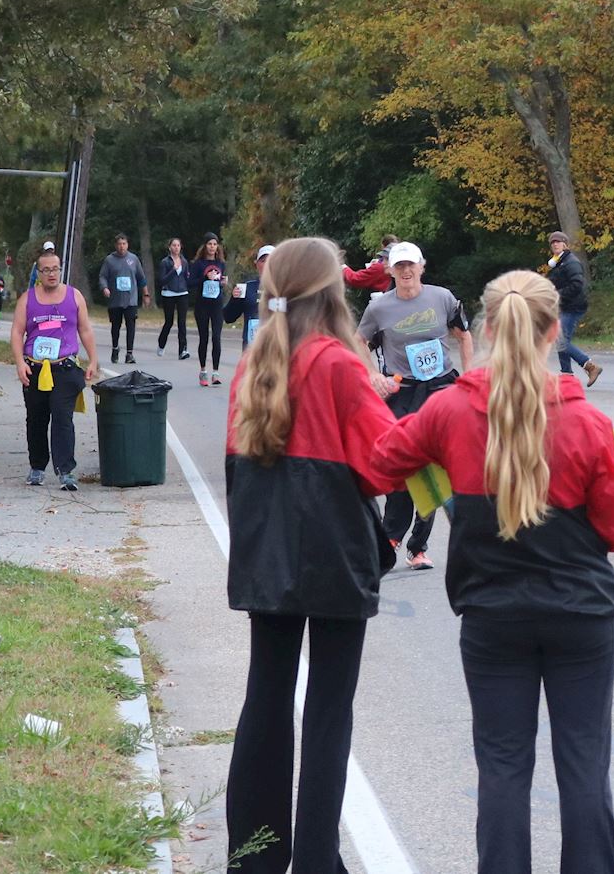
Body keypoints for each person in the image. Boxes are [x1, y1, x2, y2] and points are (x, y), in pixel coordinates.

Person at [371, 270, 614, 874]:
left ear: (487, 329)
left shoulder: (448, 410)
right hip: (582, 615)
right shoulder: (589, 423)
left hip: (492, 614)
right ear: (552, 334)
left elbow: (380, 463)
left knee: (502, 768)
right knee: (583, 766)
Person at [223, 237, 398, 874]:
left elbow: (235, 465)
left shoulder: (252, 361)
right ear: (331, 293)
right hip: (333, 548)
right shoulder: (338, 363)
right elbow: (383, 467)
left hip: (266, 545)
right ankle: (319, 859)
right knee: (328, 709)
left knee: (266, 696)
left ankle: (255, 856)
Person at [357, 241, 473, 569]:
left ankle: (417, 546)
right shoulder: (380, 308)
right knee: (402, 463)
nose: (406, 271)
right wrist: (370, 375)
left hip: (440, 387)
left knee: (436, 463)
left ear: (422, 266)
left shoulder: (442, 298)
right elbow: (359, 340)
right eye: (399, 267)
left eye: (411, 265)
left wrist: (470, 376)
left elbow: (464, 335)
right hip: (402, 391)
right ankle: (391, 534)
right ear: (390, 271)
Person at [10, 249, 100, 491]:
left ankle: (66, 470)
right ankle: (37, 467)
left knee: (63, 418)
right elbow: (17, 333)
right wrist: (20, 363)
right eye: (46, 270)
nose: (51, 274)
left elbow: (85, 329)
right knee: (37, 419)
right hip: (35, 368)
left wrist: (93, 360)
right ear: (38, 273)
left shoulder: (75, 296)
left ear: (61, 270)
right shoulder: (27, 299)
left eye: (55, 269)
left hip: (65, 367)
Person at [546, 230, 602, 386]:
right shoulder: (558, 263)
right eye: (553, 242)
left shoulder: (571, 262)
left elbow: (577, 285)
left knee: (561, 340)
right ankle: (567, 375)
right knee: (561, 340)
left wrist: (557, 294)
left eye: (558, 241)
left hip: (573, 307)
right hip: (564, 306)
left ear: (565, 244)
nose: (555, 244)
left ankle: (590, 366)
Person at [97, 233, 149, 364]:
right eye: (119, 244)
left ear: (127, 245)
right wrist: (105, 288)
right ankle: (115, 348)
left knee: (131, 325)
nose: (122, 246)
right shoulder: (109, 260)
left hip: (130, 299)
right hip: (115, 300)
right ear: (116, 245)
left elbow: (141, 278)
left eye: (124, 244)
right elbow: (102, 276)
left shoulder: (133, 259)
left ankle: (129, 353)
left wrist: (146, 295)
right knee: (116, 326)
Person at [189, 233, 227, 386]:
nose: (212, 247)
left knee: (216, 337)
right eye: (210, 244)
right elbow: (190, 283)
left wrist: (223, 282)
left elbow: (220, 281)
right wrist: (205, 278)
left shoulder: (221, 264)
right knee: (204, 338)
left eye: (215, 244)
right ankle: (203, 371)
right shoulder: (198, 264)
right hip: (202, 305)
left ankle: (216, 373)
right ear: (205, 246)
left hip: (217, 304)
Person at [225, 245, 273, 351]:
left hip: (274, 349)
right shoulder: (247, 287)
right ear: (257, 264)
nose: (267, 264)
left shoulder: (285, 288)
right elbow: (228, 317)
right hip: (251, 349)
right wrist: (234, 299)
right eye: (263, 261)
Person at [156, 237, 191, 359]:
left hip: (182, 293)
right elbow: (162, 280)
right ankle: (161, 344)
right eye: (174, 245)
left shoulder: (184, 262)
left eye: (178, 245)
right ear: (169, 247)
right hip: (169, 293)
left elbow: (187, 278)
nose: (176, 248)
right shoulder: (165, 262)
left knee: (182, 322)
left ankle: (183, 350)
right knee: (169, 321)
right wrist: (173, 270)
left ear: (181, 247)